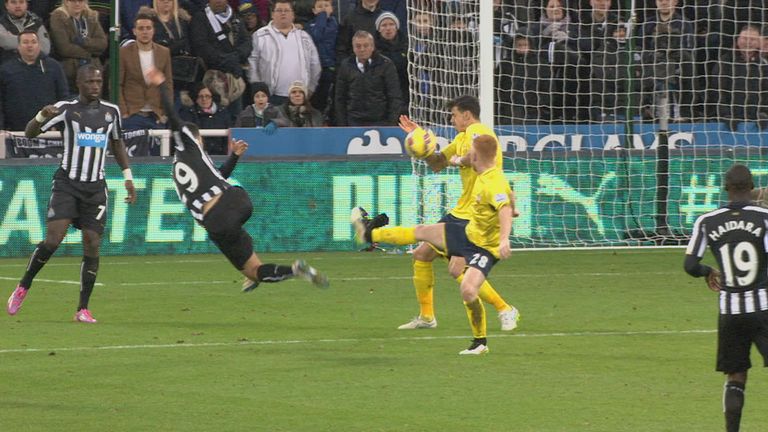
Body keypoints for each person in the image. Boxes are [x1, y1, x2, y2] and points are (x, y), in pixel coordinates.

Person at [145, 66, 329, 293]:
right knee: (255, 270)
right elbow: (173, 118)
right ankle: (294, 270)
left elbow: (216, 176)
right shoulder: (188, 143)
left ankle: (285, 272)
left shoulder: (177, 169)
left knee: (248, 263)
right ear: (196, 137)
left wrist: (233, 156)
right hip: (235, 202)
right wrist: (161, 82)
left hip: (215, 221)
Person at [352, 134, 515, 355]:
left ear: (475, 155)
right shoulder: (487, 175)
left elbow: (504, 208)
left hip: (485, 248)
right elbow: (509, 198)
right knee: (422, 233)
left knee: (468, 289)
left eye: (470, 154)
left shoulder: (492, 183)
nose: (467, 156)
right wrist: (454, 160)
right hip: (467, 233)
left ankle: (480, 341)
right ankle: (369, 234)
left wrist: (504, 238)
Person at [6, 64, 137, 323]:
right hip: (68, 184)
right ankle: (23, 286)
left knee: (92, 243)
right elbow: (31, 132)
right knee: (53, 240)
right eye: (90, 82)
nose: (95, 86)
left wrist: (127, 176)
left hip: (96, 188)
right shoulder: (65, 110)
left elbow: (117, 142)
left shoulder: (111, 112)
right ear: (79, 83)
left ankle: (82, 309)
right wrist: (42, 116)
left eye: (98, 82)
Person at [395, 95, 519, 333]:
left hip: (476, 213)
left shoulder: (479, 132)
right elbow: (438, 163)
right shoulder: (462, 137)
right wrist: (420, 143)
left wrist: (459, 160)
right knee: (423, 255)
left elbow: (473, 158)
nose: (452, 120)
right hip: (461, 211)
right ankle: (427, 317)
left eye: (453, 115)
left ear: (467, 115)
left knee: (446, 263)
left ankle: (505, 309)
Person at [684, 164, 768, 432]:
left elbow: (689, 265)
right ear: (752, 187)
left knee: (736, 375)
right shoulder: (764, 217)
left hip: (730, 311)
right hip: (763, 306)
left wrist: (708, 271)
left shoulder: (707, 221)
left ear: (725, 188)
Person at [247, 0, 321, 107]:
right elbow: (252, 64)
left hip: (298, 96)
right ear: (272, 14)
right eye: (279, 10)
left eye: (286, 10)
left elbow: (315, 65)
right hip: (271, 96)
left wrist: (309, 89)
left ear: (293, 15)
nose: (283, 13)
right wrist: (259, 90)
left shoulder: (304, 37)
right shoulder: (259, 36)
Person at [0, 30, 68, 132]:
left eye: (33, 42)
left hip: (49, 130)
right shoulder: (6, 69)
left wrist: (61, 126)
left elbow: (63, 97)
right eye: (25, 42)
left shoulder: (54, 67)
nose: (30, 45)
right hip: (15, 130)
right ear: (18, 46)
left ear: (39, 45)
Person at [119, 12, 173, 131]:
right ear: (134, 31)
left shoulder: (164, 52)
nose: (145, 32)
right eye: (141, 28)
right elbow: (117, 84)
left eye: (148, 28)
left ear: (153, 30)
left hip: (156, 116)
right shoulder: (123, 53)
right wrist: (124, 113)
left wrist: (165, 113)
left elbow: (168, 84)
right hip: (132, 116)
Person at [334, 30, 401, 126]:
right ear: (353, 48)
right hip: (353, 121)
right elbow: (340, 98)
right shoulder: (346, 65)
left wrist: (391, 123)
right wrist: (342, 124)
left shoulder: (386, 64)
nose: (362, 49)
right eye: (358, 46)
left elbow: (394, 96)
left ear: (372, 47)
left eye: (366, 45)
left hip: (381, 121)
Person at [48, 0, 107, 91]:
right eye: (73, 1)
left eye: (80, 1)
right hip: (70, 71)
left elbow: (102, 44)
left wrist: (83, 42)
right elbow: (64, 48)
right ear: (66, 2)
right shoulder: (58, 17)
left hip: (93, 69)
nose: (77, 4)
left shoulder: (91, 17)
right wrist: (90, 53)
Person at [305, 0, 338, 116]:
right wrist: (322, 17)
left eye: (326, 6)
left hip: (329, 67)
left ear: (332, 9)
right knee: (314, 99)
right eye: (320, 7)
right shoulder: (309, 26)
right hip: (313, 69)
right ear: (314, 11)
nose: (323, 9)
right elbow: (317, 35)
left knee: (327, 99)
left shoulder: (335, 24)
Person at [179, 83, 231, 154]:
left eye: (207, 96)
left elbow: (228, 137)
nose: (204, 99)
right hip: (197, 155)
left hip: (220, 154)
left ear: (212, 98)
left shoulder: (223, 112)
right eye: (201, 96)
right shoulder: (189, 113)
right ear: (196, 98)